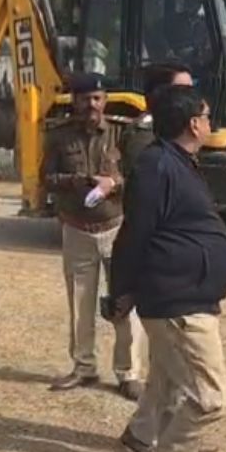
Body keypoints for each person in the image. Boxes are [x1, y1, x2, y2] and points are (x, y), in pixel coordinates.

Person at [110, 84, 226, 452]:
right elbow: (134, 233)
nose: (211, 123)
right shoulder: (157, 166)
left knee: (168, 382)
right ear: (193, 124)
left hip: (189, 296)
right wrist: (121, 291)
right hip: (177, 303)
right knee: (210, 399)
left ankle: (142, 436)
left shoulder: (179, 162)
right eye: (207, 117)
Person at [43, 72, 145, 400]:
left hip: (116, 228)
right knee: (80, 302)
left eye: (98, 98)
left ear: (105, 100)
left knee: (125, 302)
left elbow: (139, 176)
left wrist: (113, 184)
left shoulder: (122, 133)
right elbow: (46, 178)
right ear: (74, 101)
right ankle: (84, 367)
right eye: (85, 99)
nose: (92, 105)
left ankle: (129, 373)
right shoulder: (59, 136)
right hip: (77, 228)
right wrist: (75, 181)